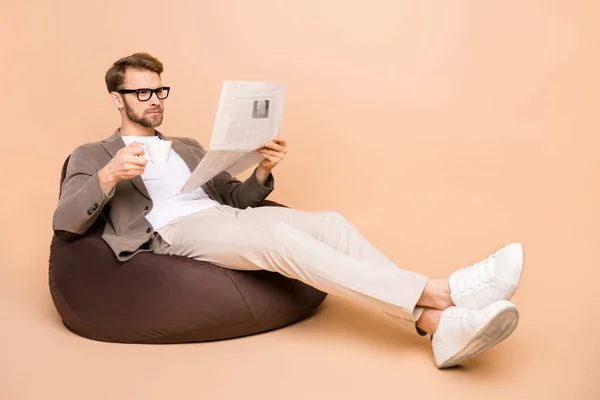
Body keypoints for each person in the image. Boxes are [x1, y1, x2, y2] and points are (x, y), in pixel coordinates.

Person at [52, 52, 524, 369]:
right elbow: (66, 221)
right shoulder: (93, 154)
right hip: (176, 232)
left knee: (330, 225)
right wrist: (110, 175)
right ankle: (443, 296)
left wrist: (260, 171)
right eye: (142, 94)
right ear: (118, 99)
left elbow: (235, 199)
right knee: (279, 242)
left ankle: (440, 327)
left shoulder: (186, 146)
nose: (154, 102)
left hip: (225, 218)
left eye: (160, 92)